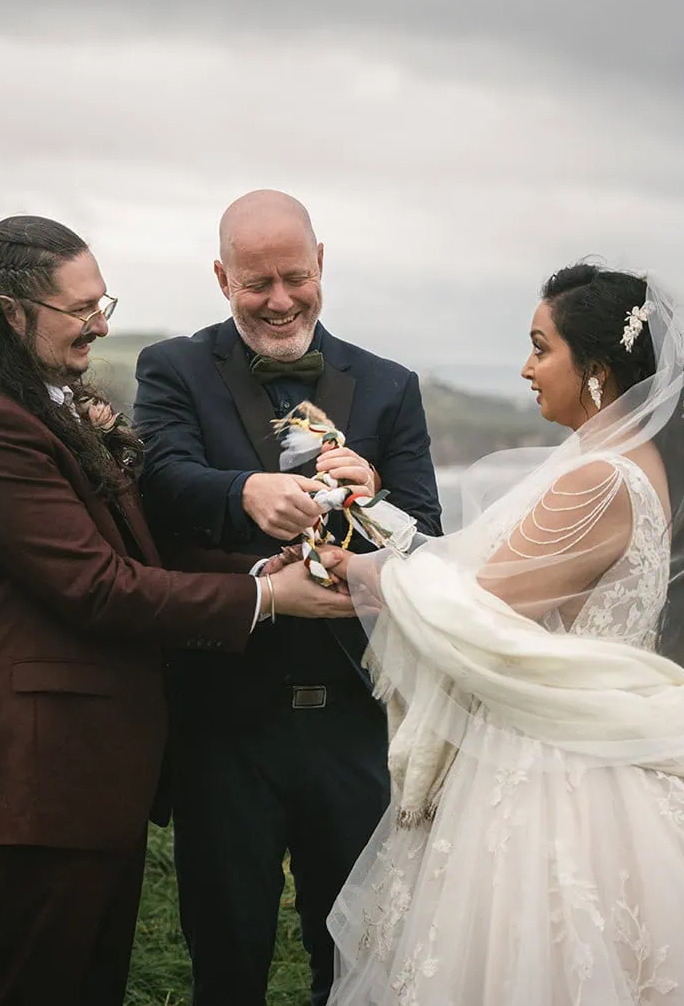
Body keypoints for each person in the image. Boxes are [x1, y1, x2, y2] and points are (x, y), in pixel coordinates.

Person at [321, 263, 684, 1004]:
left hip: (554, 773)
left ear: (594, 370)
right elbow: (484, 571)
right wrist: (380, 518)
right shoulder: (630, 462)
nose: (526, 368)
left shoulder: (596, 481)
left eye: (540, 347)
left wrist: (349, 568)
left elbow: (475, 608)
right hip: (603, 752)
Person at [0, 208, 354, 1006]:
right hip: (26, 787)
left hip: (79, 780)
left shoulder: (41, 402)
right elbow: (99, 587)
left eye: (102, 304)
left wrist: (263, 563)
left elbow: (137, 552)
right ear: (12, 313)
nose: (99, 328)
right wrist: (264, 597)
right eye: (81, 311)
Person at [134, 190, 443, 1005]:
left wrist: (373, 488)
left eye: (295, 277)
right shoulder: (171, 368)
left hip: (352, 719)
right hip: (222, 722)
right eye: (256, 282)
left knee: (355, 965)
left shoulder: (389, 385)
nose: (279, 300)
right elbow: (160, 483)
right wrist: (243, 491)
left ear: (321, 266)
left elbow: (429, 536)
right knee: (226, 963)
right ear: (221, 277)